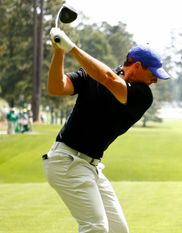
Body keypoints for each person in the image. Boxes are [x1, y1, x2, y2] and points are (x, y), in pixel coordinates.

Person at [43, 27, 170, 233]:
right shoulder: (91, 76)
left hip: (90, 167)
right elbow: (56, 87)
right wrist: (59, 51)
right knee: (95, 227)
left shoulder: (142, 95)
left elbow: (109, 80)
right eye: (153, 74)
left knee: (118, 230)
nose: (155, 80)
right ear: (138, 66)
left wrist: (71, 48)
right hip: (66, 161)